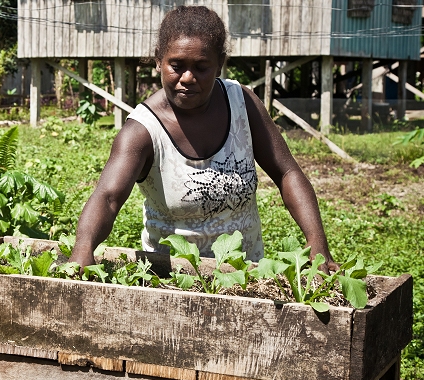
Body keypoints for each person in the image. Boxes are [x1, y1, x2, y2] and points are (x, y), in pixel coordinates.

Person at [70, 5, 338, 272]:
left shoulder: (241, 103)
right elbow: (108, 197)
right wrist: (83, 249)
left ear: (219, 64)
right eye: (176, 66)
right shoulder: (143, 130)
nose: (187, 78)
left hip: (247, 277)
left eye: (201, 67)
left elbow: (287, 172)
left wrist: (317, 245)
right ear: (158, 60)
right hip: (171, 280)